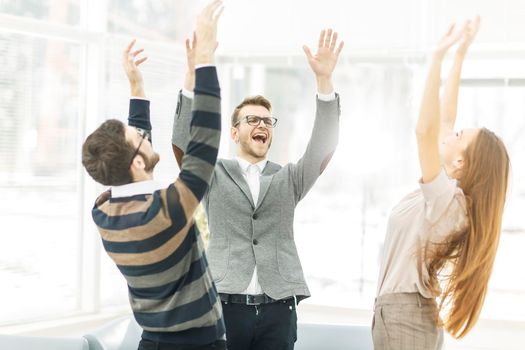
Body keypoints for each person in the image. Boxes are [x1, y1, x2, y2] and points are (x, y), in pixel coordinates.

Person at [170, 30, 343, 349]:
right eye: (252, 120)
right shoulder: (214, 174)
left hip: (279, 310)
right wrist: (191, 75)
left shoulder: (288, 179)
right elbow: (183, 146)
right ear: (234, 133)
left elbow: (322, 148)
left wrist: (325, 84)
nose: (262, 125)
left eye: (267, 121)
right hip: (223, 307)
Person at [81, 2, 227, 349]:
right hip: (198, 344)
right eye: (140, 138)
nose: (145, 135)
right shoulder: (166, 211)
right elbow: (204, 142)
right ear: (136, 164)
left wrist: (137, 85)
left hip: (151, 342)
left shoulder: (104, 212)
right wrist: (205, 58)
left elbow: (134, 167)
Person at [373, 16, 510, 350]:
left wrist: (436, 57)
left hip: (404, 315)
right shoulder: (451, 196)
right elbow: (444, 118)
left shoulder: (448, 202)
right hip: (404, 314)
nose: (450, 133)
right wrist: (459, 55)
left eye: (459, 136)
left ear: (461, 162)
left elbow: (426, 130)